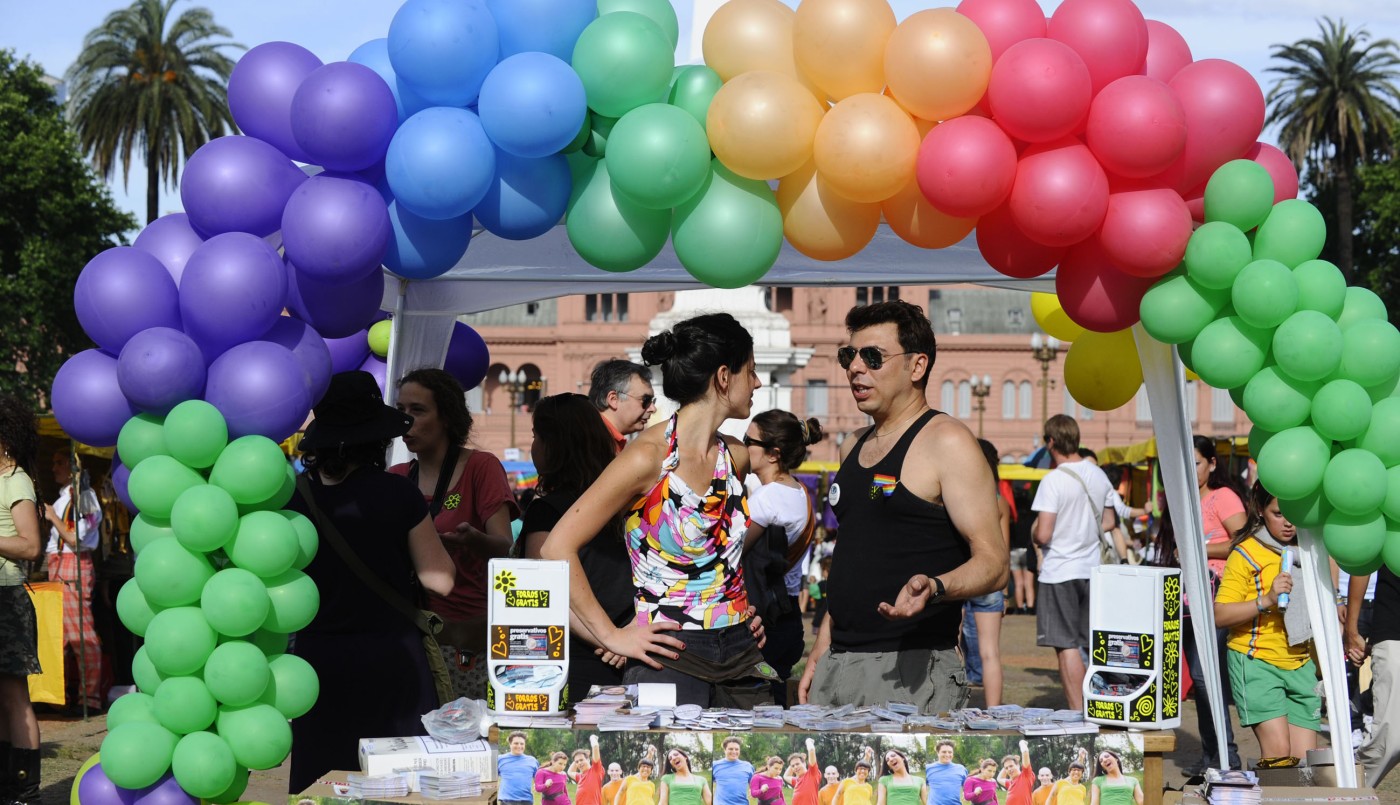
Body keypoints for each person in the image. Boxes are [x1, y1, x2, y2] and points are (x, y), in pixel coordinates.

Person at [542, 313, 772, 706]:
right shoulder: (646, 458)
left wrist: (738, 605)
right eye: (750, 371)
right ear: (722, 376)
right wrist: (611, 635)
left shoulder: (735, 455)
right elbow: (555, 548)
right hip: (670, 658)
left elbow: (721, 554)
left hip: (742, 653)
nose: (757, 382)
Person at [800, 301, 1006, 710]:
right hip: (839, 665)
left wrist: (937, 587)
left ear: (917, 367)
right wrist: (820, 650)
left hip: (910, 672)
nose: (856, 367)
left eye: (872, 356)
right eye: (849, 356)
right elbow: (852, 555)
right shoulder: (852, 445)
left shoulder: (947, 441)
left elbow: (995, 564)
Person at [287, 371, 457, 793]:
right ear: (377, 438)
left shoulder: (291, 497)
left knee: (322, 787)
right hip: (392, 662)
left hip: (315, 664)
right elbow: (441, 581)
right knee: (397, 786)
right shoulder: (397, 493)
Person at [392, 367, 520, 699]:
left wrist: (474, 541)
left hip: (467, 641)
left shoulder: (481, 466)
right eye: (401, 411)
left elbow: (504, 547)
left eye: (418, 410)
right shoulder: (396, 476)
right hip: (411, 638)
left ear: (447, 416)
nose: (406, 420)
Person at [518, 394, 631, 701]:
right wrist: (621, 638)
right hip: (631, 655)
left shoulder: (547, 511)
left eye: (536, 436)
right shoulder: (626, 503)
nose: (533, 446)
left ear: (554, 445)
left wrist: (606, 640)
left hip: (571, 660)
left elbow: (543, 594)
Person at [1214, 481, 1318, 764]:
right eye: (1278, 513)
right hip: (1256, 661)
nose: (1288, 523)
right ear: (1260, 510)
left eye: (1294, 514)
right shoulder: (1246, 552)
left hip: (1300, 663)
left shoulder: (1311, 549)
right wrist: (1267, 599)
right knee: (1279, 758)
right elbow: (1220, 615)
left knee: (1305, 765)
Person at [1147, 501, 1241, 772]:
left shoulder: (1224, 497)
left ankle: (1228, 756)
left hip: (1218, 596)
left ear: (1211, 463)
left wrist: (1197, 551)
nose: (1193, 467)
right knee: (1201, 683)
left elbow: (1240, 543)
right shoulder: (1181, 494)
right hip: (1189, 597)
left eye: (1199, 461)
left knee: (1205, 677)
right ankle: (1211, 754)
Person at [1031, 414, 1117, 711]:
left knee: (1065, 645)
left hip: (1060, 570)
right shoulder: (1098, 474)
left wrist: (1035, 531)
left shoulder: (1053, 480)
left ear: (1051, 441)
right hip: (1093, 569)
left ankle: (1079, 713)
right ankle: (1101, 705)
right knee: (1091, 644)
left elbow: (1043, 534)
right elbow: (1108, 520)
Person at [744, 410, 823, 703]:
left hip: (763, 617)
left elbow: (730, 553)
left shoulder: (767, 498)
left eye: (748, 440)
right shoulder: (800, 491)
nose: (742, 446)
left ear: (773, 454)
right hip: (786, 612)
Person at [0, 395, 43, 805]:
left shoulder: (16, 480)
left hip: (7, 599)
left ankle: (25, 794)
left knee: (14, 698)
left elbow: (31, 546)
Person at [43, 449, 104, 712]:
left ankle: (89, 697)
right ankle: (64, 695)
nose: (53, 468)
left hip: (72, 565)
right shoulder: (64, 497)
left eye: (58, 462)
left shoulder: (84, 497)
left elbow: (75, 538)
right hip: (59, 565)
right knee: (60, 635)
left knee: (81, 633)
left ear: (71, 466)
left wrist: (52, 518)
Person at [963, 439, 1010, 705]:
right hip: (990, 578)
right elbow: (1003, 548)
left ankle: (954, 709)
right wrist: (1004, 591)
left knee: (954, 648)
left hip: (960, 574)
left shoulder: (959, 496)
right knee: (990, 652)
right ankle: (994, 712)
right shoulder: (998, 501)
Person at [1355, 565, 1400, 786]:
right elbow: (1360, 560)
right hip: (1395, 630)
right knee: (1392, 739)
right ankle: (1345, 789)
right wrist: (1351, 628)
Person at [589, 359, 659, 452]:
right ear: (613, 399)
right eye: (646, 400)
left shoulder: (603, 440)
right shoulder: (591, 445)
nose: (653, 409)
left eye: (653, 401)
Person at [499, 732, 540, 805]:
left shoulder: (532, 760)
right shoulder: (500, 759)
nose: (519, 746)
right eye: (516, 743)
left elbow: (539, 779)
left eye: (522, 744)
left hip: (526, 801)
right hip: (507, 801)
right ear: (510, 744)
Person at [712, 737, 754, 805]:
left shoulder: (747, 766)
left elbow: (754, 784)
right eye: (730, 749)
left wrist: (752, 790)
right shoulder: (715, 765)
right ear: (725, 750)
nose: (734, 752)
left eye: (737, 749)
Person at [923, 740, 965, 805]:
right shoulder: (928, 768)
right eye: (944, 752)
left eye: (950, 752)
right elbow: (921, 787)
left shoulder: (961, 769)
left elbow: (967, 787)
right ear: (938, 753)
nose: (947, 754)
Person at [788, 740, 822, 805]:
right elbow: (785, 776)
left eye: (797, 764)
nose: (795, 767)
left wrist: (808, 741)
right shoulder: (796, 780)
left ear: (804, 763)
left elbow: (811, 750)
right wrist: (793, 762)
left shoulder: (812, 774)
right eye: (793, 766)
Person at [575, 737, 607, 805]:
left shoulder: (595, 770)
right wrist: (578, 754)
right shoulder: (580, 776)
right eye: (577, 762)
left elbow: (595, 747)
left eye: (581, 760)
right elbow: (569, 772)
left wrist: (592, 737)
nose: (579, 763)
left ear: (588, 760)